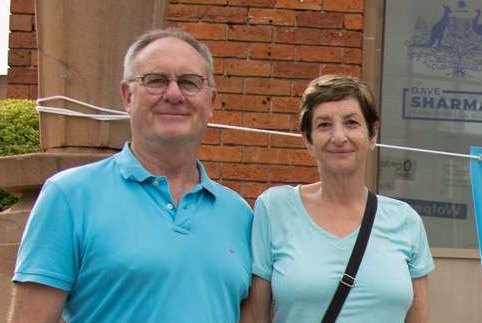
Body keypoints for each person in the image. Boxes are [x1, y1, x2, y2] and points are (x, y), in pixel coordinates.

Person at [7, 28, 253, 323]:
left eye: (189, 82)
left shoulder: (238, 214)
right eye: (156, 80)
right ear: (127, 96)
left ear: (211, 102)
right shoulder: (70, 196)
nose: (173, 94)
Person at [240, 74, 435, 323]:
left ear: (372, 134)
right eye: (324, 125)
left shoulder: (406, 221)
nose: (339, 137)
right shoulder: (275, 208)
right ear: (308, 141)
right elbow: (255, 317)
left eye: (351, 122)